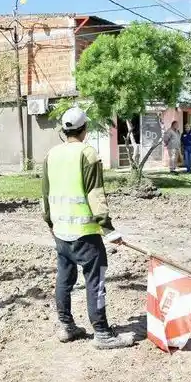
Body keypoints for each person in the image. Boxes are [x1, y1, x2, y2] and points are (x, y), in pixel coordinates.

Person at [41, 107, 135, 350]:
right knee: (96, 281)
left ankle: (67, 326)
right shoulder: (87, 153)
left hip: (61, 232)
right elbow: (95, 194)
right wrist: (108, 228)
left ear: (64, 130)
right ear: (85, 129)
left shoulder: (51, 154)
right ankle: (102, 334)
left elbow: (45, 195)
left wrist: (51, 223)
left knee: (64, 279)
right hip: (86, 235)